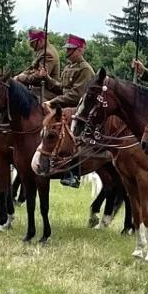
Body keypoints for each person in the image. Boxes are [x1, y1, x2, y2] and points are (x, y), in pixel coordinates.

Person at [44, 34, 96, 188]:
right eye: (67, 49)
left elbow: (76, 95)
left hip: (79, 108)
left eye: (71, 50)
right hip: (66, 106)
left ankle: (72, 173)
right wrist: (47, 78)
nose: (67, 52)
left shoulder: (85, 69)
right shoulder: (69, 67)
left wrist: (53, 102)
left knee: (72, 134)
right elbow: (62, 88)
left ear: (80, 50)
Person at [15, 29, 61, 103]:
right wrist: (19, 75)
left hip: (47, 90)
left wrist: (24, 78)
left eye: (32, 43)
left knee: (22, 98)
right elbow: (32, 68)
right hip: (38, 88)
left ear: (40, 41)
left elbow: (40, 76)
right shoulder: (41, 51)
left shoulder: (48, 53)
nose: (31, 46)